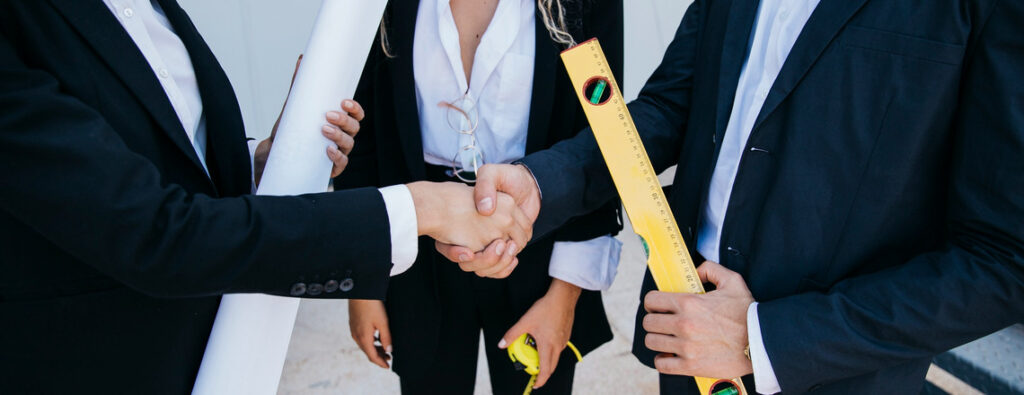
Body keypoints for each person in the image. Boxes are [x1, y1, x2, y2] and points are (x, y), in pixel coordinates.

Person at [445, 0, 1024, 394]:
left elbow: (1001, 260)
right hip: (685, 336)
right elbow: (671, 106)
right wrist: (545, 181)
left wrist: (764, 339)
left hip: (835, 371)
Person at [0, 0, 532, 393]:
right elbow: (153, 230)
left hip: (219, 350)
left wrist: (265, 166)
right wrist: (422, 206)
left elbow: (163, 159)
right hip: (108, 363)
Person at [337, 0, 623, 393]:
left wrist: (565, 294)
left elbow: (601, 136)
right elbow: (362, 131)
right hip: (417, 248)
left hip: (542, 235)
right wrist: (362, 281)